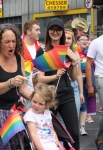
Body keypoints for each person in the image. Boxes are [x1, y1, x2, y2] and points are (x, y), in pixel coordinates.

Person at [36, 18, 79, 150]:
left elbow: (73, 76)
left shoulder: (67, 50)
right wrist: (55, 75)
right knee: (49, 134)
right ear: (48, 31)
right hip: (49, 97)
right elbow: (40, 79)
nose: (55, 32)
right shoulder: (42, 51)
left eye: (58, 29)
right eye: (52, 30)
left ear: (62, 32)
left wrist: (74, 61)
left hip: (67, 95)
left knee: (74, 133)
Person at [24, 83, 63, 150]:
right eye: (34, 101)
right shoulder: (30, 115)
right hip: (41, 144)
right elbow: (33, 134)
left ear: (47, 104)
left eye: (40, 104)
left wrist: (57, 141)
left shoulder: (47, 113)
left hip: (51, 142)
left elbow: (52, 129)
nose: (36, 105)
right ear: (31, 98)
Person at [76, 33, 96, 135]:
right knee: (77, 103)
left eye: (86, 39)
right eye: (82, 39)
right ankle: (74, 126)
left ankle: (82, 127)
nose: (85, 41)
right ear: (77, 41)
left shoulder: (89, 53)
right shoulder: (74, 52)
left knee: (83, 103)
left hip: (87, 80)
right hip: (76, 81)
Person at [86, 35, 103, 150]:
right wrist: (90, 85)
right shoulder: (96, 42)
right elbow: (88, 64)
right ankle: (101, 138)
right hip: (101, 78)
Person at [65, 29, 84, 116]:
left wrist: (81, 93)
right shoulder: (57, 52)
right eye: (64, 38)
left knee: (74, 116)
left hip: (74, 86)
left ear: (72, 40)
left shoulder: (75, 53)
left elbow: (79, 74)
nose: (66, 40)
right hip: (62, 88)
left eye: (69, 38)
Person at [22, 20, 41, 108]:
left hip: (39, 92)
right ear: (29, 32)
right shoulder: (17, 47)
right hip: (24, 93)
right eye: (37, 30)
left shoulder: (40, 48)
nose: (39, 32)